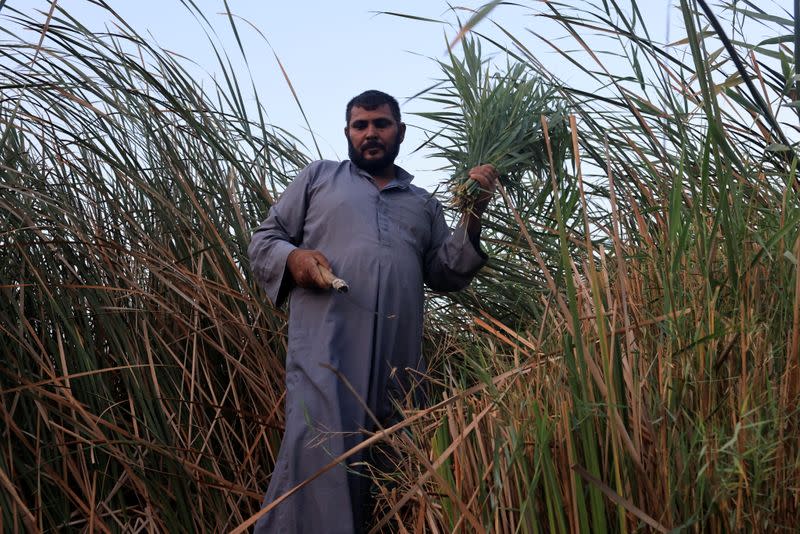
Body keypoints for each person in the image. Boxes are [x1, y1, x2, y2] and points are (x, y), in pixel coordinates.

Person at [248, 90, 497, 533]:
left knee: (394, 473)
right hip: (327, 352)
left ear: (399, 132)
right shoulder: (319, 179)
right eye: (360, 126)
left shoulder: (422, 202)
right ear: (347, 133)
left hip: (399, 366)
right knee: (319, 463)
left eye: (380, 124)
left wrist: (473, 214)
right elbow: (265, 239)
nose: (370, 134)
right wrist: (294, 259)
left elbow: (446, 272)